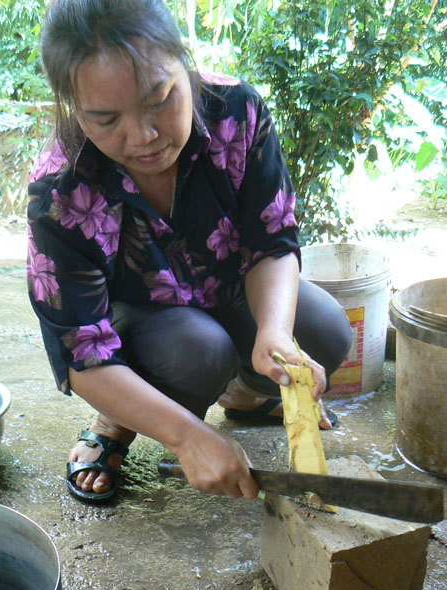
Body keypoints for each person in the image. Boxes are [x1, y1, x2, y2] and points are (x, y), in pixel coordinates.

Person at [27, 0, 352, 504]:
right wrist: (186, 437)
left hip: (227, 288)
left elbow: (273, 242)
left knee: (324, 330)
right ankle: (117, 422)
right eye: (107, 119)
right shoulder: (58, 193)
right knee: (199, 351)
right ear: (72, 106)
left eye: (160, 98)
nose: (144, 137)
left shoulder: (237, 112)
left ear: (184, 61)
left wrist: (274, 331)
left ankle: (243, 394)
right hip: (144, 325)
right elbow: (82, 351)